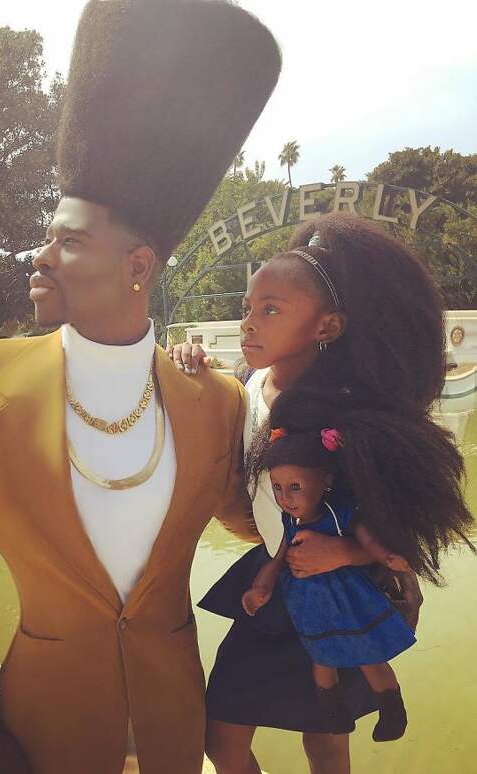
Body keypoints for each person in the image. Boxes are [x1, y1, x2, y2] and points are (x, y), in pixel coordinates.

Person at [0, 2, 282, 773]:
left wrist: (366, 546)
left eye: (69, 241)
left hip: (175, 722)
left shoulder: (218, 402)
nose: (40, 257)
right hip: (41, 724)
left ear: (137, 267)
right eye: (47, 237)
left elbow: (257, 523)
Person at [169, 211, 472, 774]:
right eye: (247, 309)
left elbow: (394, 520)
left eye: (271, 310)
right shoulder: (247, 387)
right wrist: (190, 365)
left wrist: (348, 552)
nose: (248, 324)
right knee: (222, 737)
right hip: (270, 583)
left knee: (326, 742)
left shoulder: (350, 413)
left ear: (326, 327)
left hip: (335, 588)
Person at [239, 386, 472, 746]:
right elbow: (280, 553)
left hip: (349, 599)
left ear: (326, 480)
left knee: (369, 657)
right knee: (320, 659)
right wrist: (262, 584)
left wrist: (391, 559)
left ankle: (391, 710)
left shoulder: (341, 514)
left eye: (295, 487)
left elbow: (371, 543)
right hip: (309, 603)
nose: (285, 498)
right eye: (278, 488)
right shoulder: (290, 522)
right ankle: (334, 714)